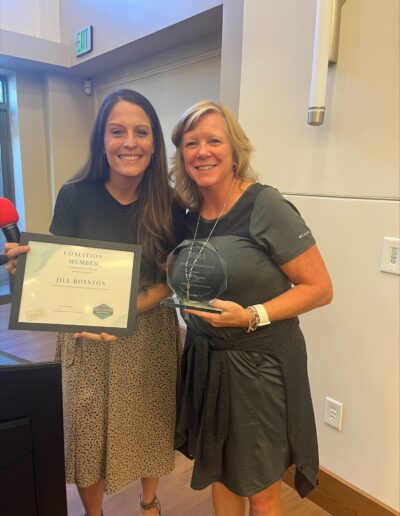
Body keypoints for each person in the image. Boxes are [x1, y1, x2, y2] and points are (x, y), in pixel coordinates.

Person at [5, 89, 185, 516]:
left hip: (149, 333)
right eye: (117, 131)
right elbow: (56, 269)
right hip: (85, 332)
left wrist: (125, 309)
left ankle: (149, 503)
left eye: (141, 132)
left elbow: (171, 279)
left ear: (155, 143)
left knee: (148, 422)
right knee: (87, 430)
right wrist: (26, 273)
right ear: (102, 140)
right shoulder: (75, 194)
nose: (130, 142)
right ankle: (94, 512)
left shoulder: (171, 203)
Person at [169, 100, 333, 516]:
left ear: (235, 149)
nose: (202, 151)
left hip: (257, 367)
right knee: (220, 472)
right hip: (207, 363)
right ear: (181, 154)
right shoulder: (190, 215)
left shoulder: (265, 205)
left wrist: (252, 315)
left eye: (213, 141)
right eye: (191, 143)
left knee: (259, 485)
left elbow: (319, 287)